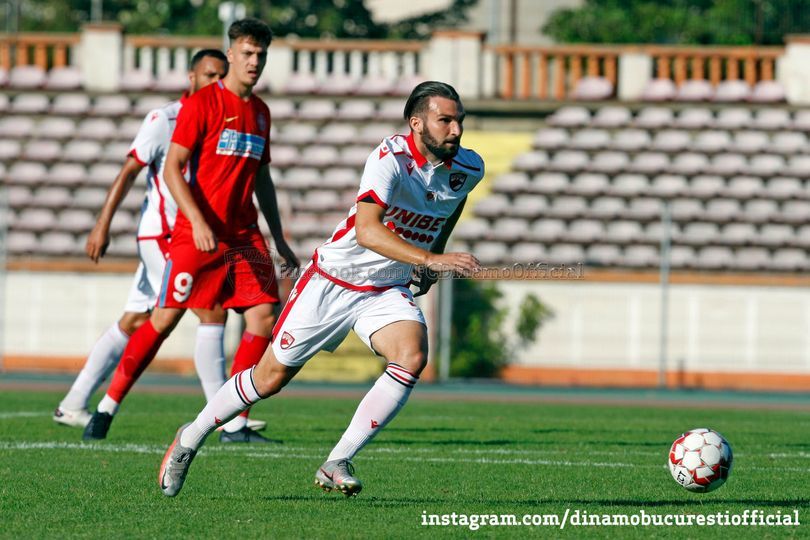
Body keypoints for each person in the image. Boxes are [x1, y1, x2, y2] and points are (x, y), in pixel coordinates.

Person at [158, 81, 484, 497]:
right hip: (333, 282)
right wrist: (430, 259)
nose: (455, 130)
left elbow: (446, 210)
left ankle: (338, 460)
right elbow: (366, 232)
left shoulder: (470, 168)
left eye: (459, 120)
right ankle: (192, 435)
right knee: (270, 378)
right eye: (445, 120)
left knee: (412, 353)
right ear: (416, 123)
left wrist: (431, 255)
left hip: (386, 288)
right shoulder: (390, 158)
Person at [83, 18, 298, 443]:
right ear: (232, 54)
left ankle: (232, 420)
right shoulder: (202, 104)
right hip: (195, 234)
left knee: (263, 317)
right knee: (162, 319)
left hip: (243, 235)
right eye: (248, 53)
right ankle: (106, 407)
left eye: (261, 55)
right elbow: (171, 168)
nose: (255, 62)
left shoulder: (260, 112)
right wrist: (198, 221)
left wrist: (278, 237)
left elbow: (262, 180)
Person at [53, 49, 246, 429]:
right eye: (209, 75)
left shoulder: (225, 118)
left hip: (189, 236)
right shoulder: (165, 119)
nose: (215, 82)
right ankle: (228, 422)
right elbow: (128, 171)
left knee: (135, 318)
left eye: (221, 75)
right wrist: (102, 224)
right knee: (210, 310)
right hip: (164, 233)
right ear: (191, 77)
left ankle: (73, 403)